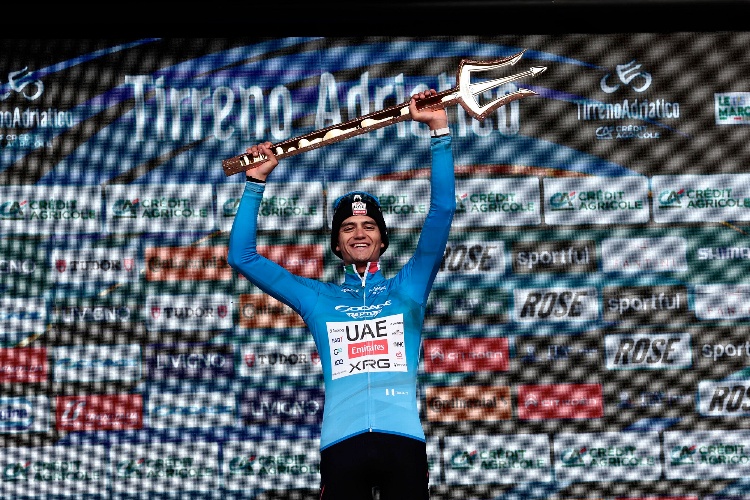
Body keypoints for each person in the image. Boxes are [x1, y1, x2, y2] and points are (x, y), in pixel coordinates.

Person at [227, 89, 454, 499]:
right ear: (337, 245)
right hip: (341, 444)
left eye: (368, 227)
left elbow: (442, 212)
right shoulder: (317, 298)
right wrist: (255, 182)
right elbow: (242, 256)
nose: (359, 233)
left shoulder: (409, 285)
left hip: (403, 441)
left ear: (382, 240)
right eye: (348, 228)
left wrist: (439, 131)